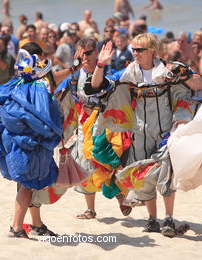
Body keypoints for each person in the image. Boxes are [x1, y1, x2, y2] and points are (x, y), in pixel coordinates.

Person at [91, 33, 202, 237]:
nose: (135, 53)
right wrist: (100, 64)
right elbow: (97, 86)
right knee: (143, 175)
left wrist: (185, 76)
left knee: (166, 174)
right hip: (140, 131)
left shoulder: (169, 71)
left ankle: (168, 219)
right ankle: (152, 220)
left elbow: (199, 86)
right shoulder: (129, 72)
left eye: (139, 50)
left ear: (151, 50)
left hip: (166, 132)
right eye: (133, 49)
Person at [0, 42, 61, 238]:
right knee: (27, 186)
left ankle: (36, 224)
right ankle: (16, 227)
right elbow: (41, 116)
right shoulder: (37, 86)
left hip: (15, 143)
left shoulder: (20, 83)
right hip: (28, 145)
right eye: (40, 58)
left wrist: (74, 68)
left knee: (26, 186)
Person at [55, 37, 133, 220]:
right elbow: (57, 95)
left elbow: (123, 79)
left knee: (110, 162)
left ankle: (120, 195)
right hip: (84, 126)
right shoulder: (74, 79)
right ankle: (91, 209)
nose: (85, 58)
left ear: (96, 52)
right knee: (84, 166)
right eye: (81, 54)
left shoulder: (110, 72)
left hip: (110, 125)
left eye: (89, 53)